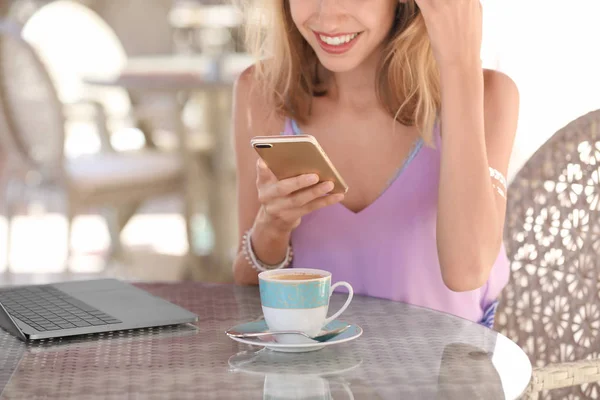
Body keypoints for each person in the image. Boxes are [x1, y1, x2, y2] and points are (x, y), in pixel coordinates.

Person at [231, 0, 519, 328]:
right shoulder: (264, 93)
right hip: (311, 373)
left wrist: (459, 64)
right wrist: (273, 225)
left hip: (445, 373)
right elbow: (245, 285)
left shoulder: (490, 96)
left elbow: (467, 271)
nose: (327, 17)